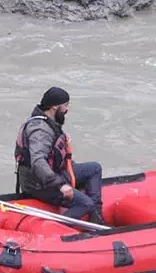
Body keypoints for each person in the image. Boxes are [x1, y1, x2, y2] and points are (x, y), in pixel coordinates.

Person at [13, 86, 106, 225]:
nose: (68, 109)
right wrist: (60, 185)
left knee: (94, 168)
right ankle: (58, 230)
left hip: (54, 173)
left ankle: (96, 219)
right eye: (66, 105)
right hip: (39, 184)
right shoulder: (40, 130)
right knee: (86, 204)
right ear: (55, 107)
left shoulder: (49, 123)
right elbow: (38, 162)